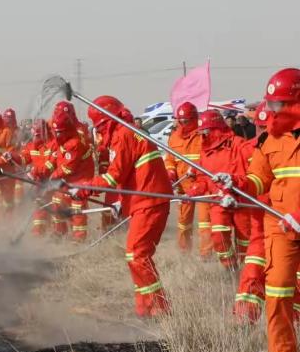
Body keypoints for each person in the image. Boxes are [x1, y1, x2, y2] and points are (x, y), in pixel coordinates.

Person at [219, 68, 300, 352]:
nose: (274, 111)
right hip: (281, 226)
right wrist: (236, 184)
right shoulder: (270, 141)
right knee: (277, 289)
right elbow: (258, 179)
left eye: (280, 104)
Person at [71, 96, 172, 317]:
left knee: (137, 254)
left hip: (150, 200)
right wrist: (120, 202)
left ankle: (160, 310)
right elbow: (132, 176)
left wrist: (86, 187)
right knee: (135, 255)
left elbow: (114, 176)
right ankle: (145, 308)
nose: (99, 134)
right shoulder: (126, 132)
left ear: (108, 121)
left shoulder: (123, 135)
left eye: (100, 127)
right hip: (143, 199)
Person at [186, 110, 251, 269]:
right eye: (201, 132)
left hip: (241, 200)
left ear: (216, 129)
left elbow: (251, 173)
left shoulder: (239, 144)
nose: (203, 136)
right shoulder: (205, 152)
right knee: (218, 235)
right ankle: (230, 268)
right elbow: (203, 180)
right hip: (218, 201)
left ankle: (245, 272)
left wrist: (234, 188)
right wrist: (191, 192)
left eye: (206, 132)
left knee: (245, 241)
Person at [233, 101, 273, 323]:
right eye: (260, 127)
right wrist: (231, 190)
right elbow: (243, 179)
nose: (263, 133)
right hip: (261, 221)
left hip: (290, 222)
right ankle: (244, 320)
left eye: (267, 128)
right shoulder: (248, 149)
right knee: (253, 269)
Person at [35, 101, 94, 242]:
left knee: (76, 208)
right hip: (66, 178)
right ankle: (59, 233)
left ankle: (78, 240)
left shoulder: (75, 141)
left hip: (80, 178)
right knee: (57, 201)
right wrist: (41, 170)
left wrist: (52, 178)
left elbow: (67, 168)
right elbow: (55, 157)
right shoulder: (61, 136)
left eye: (59, 132)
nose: (56, 134)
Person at [164, 102, 212, 258]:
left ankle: (206, 255)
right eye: (180, 121)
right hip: (183, 186)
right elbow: (170, 160)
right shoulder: (174, 138)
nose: (182, 124)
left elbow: (210, 157)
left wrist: (197, 168)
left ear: (194, 119)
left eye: (186, 121)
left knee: (205, 222)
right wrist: (170, 173)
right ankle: (184, 251)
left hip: (202, 185)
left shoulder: (203, 135)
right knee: (183, 221)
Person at [7, 119, 52, 236]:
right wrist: (12, 157)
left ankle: (51, 231)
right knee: (39, 204)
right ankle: (39, 231)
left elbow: (52, 165)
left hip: (53, 182)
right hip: (38, 181)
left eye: (38, 134)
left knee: (51, 206)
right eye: (35, 134)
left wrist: (34, 171)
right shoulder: (31, 146)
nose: (36, 137)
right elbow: (23, 158)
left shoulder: (52, 145)